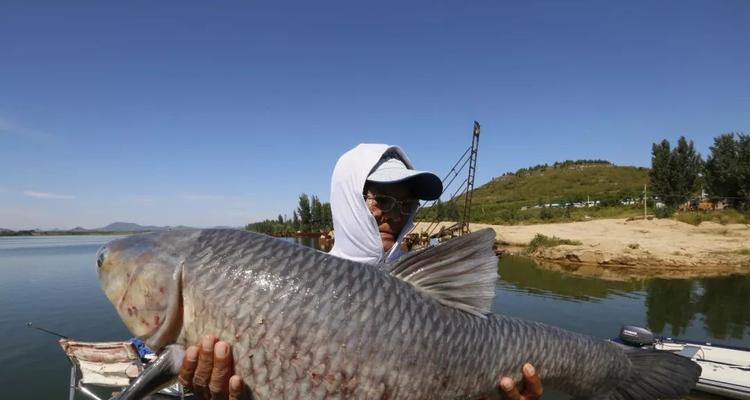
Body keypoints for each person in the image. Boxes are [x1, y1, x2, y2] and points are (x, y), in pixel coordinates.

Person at [178, 144, 543, 400]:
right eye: (381, 199)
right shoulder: (284, 292)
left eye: (406, 203)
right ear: (349, 198)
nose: (394, 214)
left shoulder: (430, 286)